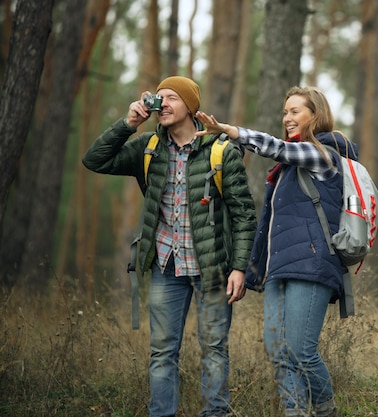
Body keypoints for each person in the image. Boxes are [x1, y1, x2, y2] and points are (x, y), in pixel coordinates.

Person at [82, 76, 257, 416]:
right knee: (162, 352)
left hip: (214, 269)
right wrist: (128, 124)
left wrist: (239, 267)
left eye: (171, 97)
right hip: (166, 265)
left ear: (191, 107)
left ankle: (215, 414)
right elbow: (95, 160)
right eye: (157, 97)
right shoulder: (148, 147)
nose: (161, 103)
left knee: (215, 349)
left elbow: (244, 216)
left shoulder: (221, 151)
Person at [195, 86, 347, 417]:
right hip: (280, 267)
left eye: (295, 111)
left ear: (315, 116)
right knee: (278, 350)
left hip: (311, 263)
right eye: (285, 111)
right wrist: (255, 268)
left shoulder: (323, 155)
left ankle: (325, 410)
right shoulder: (284, 171)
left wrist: (231, 131)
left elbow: (276, 148)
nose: (287, 118)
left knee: (301, 351)